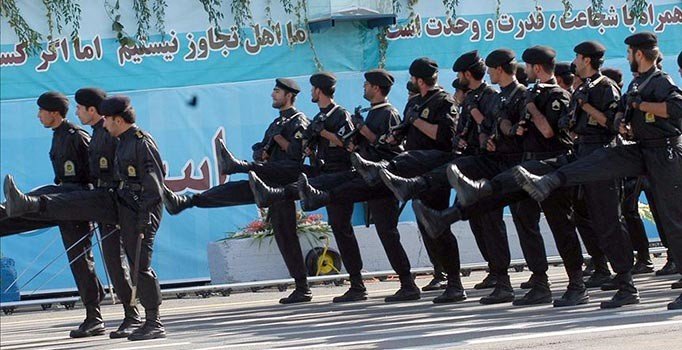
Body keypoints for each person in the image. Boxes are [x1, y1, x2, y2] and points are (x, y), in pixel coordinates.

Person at [513, 32, 682, 310]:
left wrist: (638, 106)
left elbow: (676, 107)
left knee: (671, 221)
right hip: (639, 148)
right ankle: (550, 180)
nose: (627, 57)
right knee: (598, 173)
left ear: (638, 54)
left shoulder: (659, 81)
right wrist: (626, 121)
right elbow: (619, 119)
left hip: (664, 152)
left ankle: (628, 283)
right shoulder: (639, 81)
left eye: (629, 52)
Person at [6, 95, 168, 339]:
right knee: (48, 204)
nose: (102, 123)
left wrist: (144, 218)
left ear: (113, 118)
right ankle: (25, 204)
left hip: (125, 206)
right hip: (113, 201)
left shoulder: (131, 141)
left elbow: (152, 185)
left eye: (81, 108)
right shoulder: (114, 137)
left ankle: (144, 318)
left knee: (133, 265)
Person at [163, 78, 316, 304]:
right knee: (231, 190)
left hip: (285, 181)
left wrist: (277, 140)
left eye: (277, 91)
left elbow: (295, 154)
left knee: (286, 234)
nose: (273, 95)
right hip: (267, 179)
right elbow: (262, 148)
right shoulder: (275, 123)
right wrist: (262, 152)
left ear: (289, 96)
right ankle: (185, 202)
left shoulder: (299, 121)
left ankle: (302, 287)